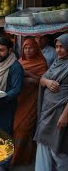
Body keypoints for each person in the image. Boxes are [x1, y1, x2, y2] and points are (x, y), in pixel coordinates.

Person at [10, 38, 48, 166]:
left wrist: (29, 75)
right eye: (25, 48)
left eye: (31, 48)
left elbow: (43, 81)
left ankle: (21, 158)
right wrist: (26, 80)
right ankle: (18, 157)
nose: (28, 50)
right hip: (19, 100)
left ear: (36, 49)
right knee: (16, 127)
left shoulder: (41, 63)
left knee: (25, 128)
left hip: (32, 101)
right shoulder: (19, 62)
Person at [34, 33, 68, 171]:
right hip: (47, 112)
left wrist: (65, 116)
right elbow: (42, 78)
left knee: (58, 148)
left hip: (60, 113)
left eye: (62, 47)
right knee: (43, 144)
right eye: (57, 46)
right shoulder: (57, 62)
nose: (58, 50)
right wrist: (47, 82)